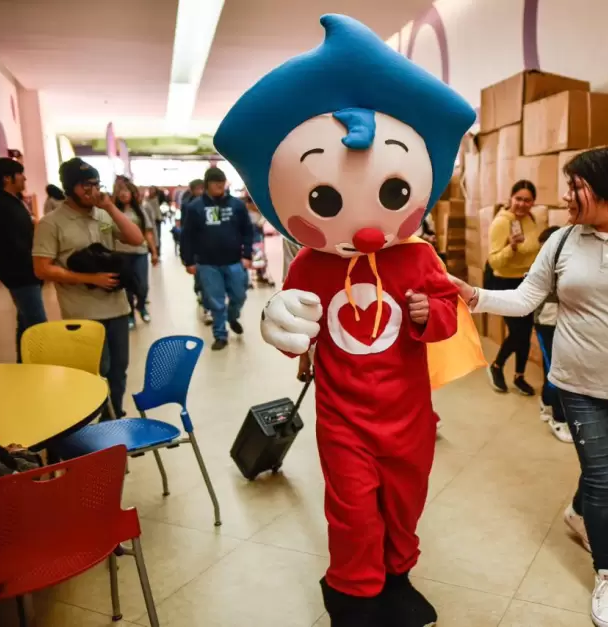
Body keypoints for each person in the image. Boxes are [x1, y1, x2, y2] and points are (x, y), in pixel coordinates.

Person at [216, 14, 482, 626]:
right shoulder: (309, 263)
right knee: (354, 507)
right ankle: (354, 590)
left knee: (404, 502)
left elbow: (448, 313)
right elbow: (296, 330)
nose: (365, 227)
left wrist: (430, 311)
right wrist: (276, 320)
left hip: (410, 414)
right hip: (344, 416)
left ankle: (398, 574)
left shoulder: (418, 255)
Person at [450, 147, 608, 627]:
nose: (566, 198)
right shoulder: (564, 240)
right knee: (603, 478)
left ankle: (576, 512)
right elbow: (527, 296)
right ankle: (607, 575)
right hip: (577, 383)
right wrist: (474, 296)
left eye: (575, 188)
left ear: (606, 188)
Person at [32, 158, 145, 418]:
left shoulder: (102, 217)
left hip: (116, 307)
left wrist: (110, 207)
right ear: (70, 188)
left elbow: (135, 239)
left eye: (96, 184)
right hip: (82, 312)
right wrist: (89, 278)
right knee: (96, 370)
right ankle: (86, 420)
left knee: (118, 369)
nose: (93, 191)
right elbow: (42, 268)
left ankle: (113, 415)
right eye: (86, 186)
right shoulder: (52, 223)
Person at [0, 158, 46, 362]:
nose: (24, 178)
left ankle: (24, 363)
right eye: (21, 174)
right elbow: (15, 243)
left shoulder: (8, 201)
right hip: (21, 273)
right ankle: (39, 365)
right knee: (37, 323)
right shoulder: (0, 205)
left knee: (25, 320)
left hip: (21, 271)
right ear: (7, 178)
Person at [181, 167, 253, 351]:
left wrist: (247, 255)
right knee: (215, 302)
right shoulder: (195, 207)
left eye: (222, 183)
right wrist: (188, 261)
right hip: (207, 264)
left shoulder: (237, 205)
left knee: (239, 295)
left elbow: (247, 231)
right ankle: (220, 334)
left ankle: (232, 316)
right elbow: (187, 236)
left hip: (235, 261)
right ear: (207, 185)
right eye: (216, 183)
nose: (220, 186)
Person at [484, 179, 541, 396]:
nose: (522, 204)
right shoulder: (501, 223)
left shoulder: (530, 220)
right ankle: (496, 366)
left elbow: (534, 250)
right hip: (502, 282)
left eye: (527, 200)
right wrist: (512, 247)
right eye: (518, 199)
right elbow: (495, 261)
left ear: (533, 202)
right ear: (511, 198)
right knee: (517, 332)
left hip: (525, 282)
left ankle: (519, 376)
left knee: (525, 332)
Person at [533, 226, 570, 443]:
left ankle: (546, 403)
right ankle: (558, 418)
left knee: (555, 369)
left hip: (564, 323)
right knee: (555, 371)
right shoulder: (542, 266)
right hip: (547, 323)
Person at [113, 178, 158, 328]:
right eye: (120, 191)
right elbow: (105, 231)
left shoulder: (140, 211)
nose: (123, 194)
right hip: (120, 253)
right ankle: (130, 314)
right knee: (127, 288)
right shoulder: (112, 212)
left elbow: (148, 232)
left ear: (132, 193)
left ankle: (141, 306)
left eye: (126, 190)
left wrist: (154, 251)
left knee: (142, 286)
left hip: (140, 252)